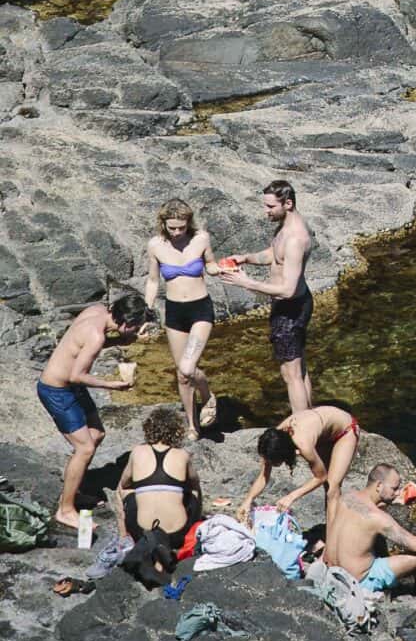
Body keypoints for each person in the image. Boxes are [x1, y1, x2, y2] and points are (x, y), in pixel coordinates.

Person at [36, 291, 149, 527]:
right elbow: (77, 375)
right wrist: (112, 384)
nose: (138, 330)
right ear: (126, 322)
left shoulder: (97, 310)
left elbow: (81, 347)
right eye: (136, 326)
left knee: (96, 434)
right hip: (57, 390)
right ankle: (65, 510)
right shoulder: (97, 335)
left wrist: (122, 340)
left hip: (69, 387)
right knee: (84, 447)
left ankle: (74, 489)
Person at [220, 178, 314, 414]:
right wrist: (247, 258)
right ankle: (312, 417)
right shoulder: (286, 228)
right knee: (299, 369)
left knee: (290, 374)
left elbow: (288, 290)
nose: (266, 212)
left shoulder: (295, 239)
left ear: (288, 203)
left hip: (290, 308)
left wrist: (246, 282)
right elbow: (275, 254)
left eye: (271, 207)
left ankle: (302, 428)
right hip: (295, 305)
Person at [143, 197, 219, 437]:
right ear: (163, 223)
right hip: (175, 312)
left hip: (200, 310)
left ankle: (207, 396)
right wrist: (146, 311)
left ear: (189, 223)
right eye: (172, 227)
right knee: (182, 374)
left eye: (181, 227)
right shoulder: (155, 245)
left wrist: (229, 268)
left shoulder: (201, 239)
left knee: (188, 367)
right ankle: (192, 425)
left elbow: (212, 266)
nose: (177, 233)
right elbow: (153, 280)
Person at [323, 461, 416, 597]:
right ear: (379, 485)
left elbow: (363, 513)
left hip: (333, 571)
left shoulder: (346, 498)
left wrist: (386, 503)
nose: (398, 492)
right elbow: (415, 545)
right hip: (360, 581)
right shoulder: (378, 518)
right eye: (394, 488)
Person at [234, 404, 362, 522]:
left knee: (332, 489)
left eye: (276, 462)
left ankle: (332, 544)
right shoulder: (271, 441)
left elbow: (321, 477)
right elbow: (263, 477)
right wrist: (248, 501)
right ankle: (330, 533)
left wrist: (291, 497)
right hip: (323, 434)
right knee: (328, 488)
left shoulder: (303, 444)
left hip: (345, 430)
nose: (272, 464)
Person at [116, 404, 203, 546]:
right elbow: (195, 483)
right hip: (177, 535)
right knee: (194, 489)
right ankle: (196, 525)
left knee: (122, 489)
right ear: (177, 431)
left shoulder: (137, 452)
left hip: (143, 533)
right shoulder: (183, 455)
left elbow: (125, 483)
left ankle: (123, 534)